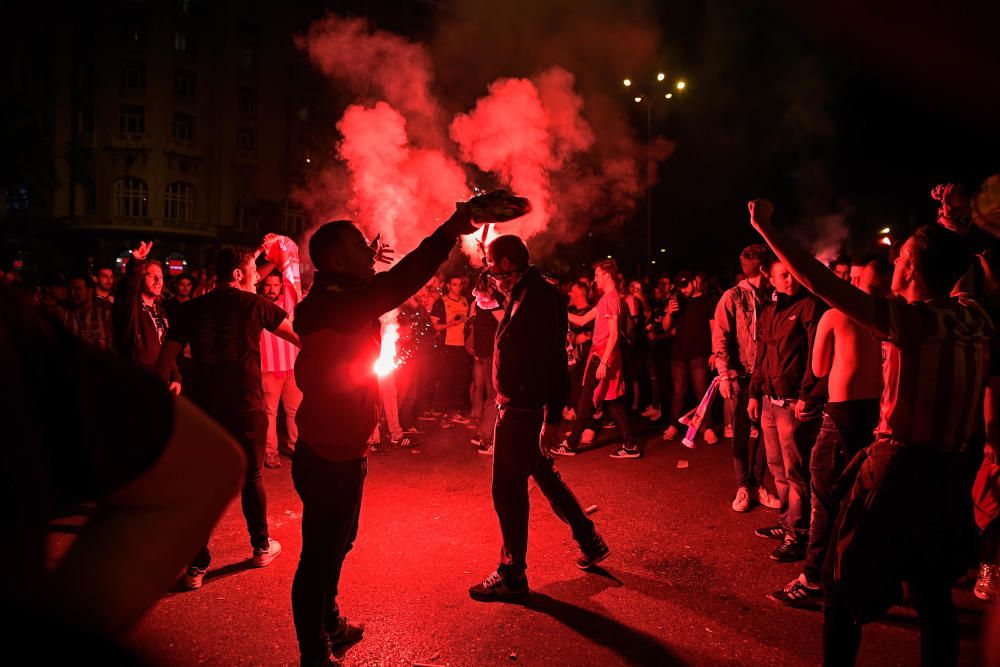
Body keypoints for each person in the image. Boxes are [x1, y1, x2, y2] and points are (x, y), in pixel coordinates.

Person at [749, 199, 989, 666]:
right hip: (950, 473)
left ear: (914, 271)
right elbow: (958, 268)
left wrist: (766, 227)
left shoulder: (913, 323)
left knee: (842, 586)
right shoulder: (974, 316)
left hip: (899, 471)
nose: (893, 262)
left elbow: (817, 281)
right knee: (932, 594)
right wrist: (951, 223)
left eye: (900, 258)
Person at [290, 200, 497, 665]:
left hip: (341, 449)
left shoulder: (336, 297)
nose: (371, 254)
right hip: (328, 454)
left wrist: (365, 267)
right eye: (361, 248)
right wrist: (451, 229)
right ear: (338, 260)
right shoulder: (339, 306)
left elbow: (383, 282)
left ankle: (329, 621)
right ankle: (314, 650)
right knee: (319, 556)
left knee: (339, 543)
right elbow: (405, 279)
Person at [2, 282, 243, 659]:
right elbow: (206, 459)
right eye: (150, 276)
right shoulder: (16, 335)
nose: (158, 282)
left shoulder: (20, 339)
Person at [469, 234, 609, 601]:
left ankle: (512, 571)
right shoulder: (523, 291)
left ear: (507, 263)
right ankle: (589, 539)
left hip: (523, 409)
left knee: (508, 490)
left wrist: (552, 418)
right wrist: (496, 296)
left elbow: (551, 359)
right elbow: (519, 331)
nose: (487, 268)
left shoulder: (540, 296)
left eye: (491, 263)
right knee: (544, 476)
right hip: (519, 405)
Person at [155, 245, 300, 591]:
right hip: (246, 406)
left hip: (204, 410)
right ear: (238, 274)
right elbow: (299, 337)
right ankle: (261, 547)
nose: (257, 277)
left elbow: (163, 363)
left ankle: (196, 566)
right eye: (253, 271)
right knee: (251, 477)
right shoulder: (256, 305)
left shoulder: (191, 310)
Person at [768, 258, 891, 607]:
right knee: (863, 499)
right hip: (878, 415)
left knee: (825, 500)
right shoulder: (894, 316)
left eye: (852, 277)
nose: (846, 281)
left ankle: (812, 579)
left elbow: (819, 367)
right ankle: (863, 574)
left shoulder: (836, 316)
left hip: (841, 414)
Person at [748, 254, 826, 563]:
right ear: (771, 277)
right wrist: (755, 393)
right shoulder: (769, 310)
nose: (789, 280)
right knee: (776, 466)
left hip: (793, 402)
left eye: (792, 273)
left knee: (796, 472)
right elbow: (761, 354)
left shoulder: (809, 306)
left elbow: (814, 357)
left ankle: (799, 533)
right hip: (769, 400)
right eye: (784, 275)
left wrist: (807, 395)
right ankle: (786, 520)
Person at [712, 245, 781, 512]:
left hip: (766, 376)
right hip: (740, 376)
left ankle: (757, 484)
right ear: (764, 269)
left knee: (765, 431)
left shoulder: (772, 297)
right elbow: (721, 336)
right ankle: (743, 487)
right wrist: (724, 375)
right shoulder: (733, 297)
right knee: (741, 430)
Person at [556, 258, 641, 459]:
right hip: (603, 356)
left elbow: (614, 334)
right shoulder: (607, 299)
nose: (594, 280)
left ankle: (571, 443)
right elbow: (581, 319)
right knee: (612, 401)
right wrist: (559, 310)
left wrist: (603, 362)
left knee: (587, 400)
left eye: (596, 275)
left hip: (602, 357)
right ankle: (630, 445)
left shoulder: (611, 300)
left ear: (606, 275)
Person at [258, 238, 304, 469]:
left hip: (292, 368)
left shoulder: (288, 301)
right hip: (268, 369)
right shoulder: (256, 304)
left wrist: (282, 256)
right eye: (268, 285)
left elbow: (291, 279)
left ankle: (297, 448)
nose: (273, 289)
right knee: (269, 414)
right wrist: (270, 258)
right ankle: (271, 452)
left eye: (276, 285)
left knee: (295, 412)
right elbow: (254, 277)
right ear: (262, 286)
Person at [112, 242, 179, 393]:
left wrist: (176, 377)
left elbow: (166, 347)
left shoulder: (160, 311)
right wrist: (137, 263)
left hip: (161, 383)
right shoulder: (130, 306)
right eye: (152, 276)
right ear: (141, 278)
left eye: (161, 277)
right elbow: (128, 287)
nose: (158, 281)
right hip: (136, 381)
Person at [663, 271, 718, 444]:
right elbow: (666, 327)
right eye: (681, 286)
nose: (684, 289)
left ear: (694, 282)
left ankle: (707, 427)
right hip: (679, 353)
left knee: (701, 392)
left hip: (699, 352)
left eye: (686, 285)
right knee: (679, 392)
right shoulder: (678, 301)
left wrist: (715, 352)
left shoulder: (707, 301)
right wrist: (669, 313)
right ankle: (673, 425)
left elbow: (714, 328)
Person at [430, 275, 471, 427]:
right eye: (454, 284)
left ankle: (455, 412)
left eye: (460, 284)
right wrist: (451, 323)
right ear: (448, 285)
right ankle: (442, 413)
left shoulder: (465, 301)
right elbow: (434, 326)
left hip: (462, 347)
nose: (458, 287)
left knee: (460, 380)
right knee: (446, 380)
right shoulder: (441, 302)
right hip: (446, 347)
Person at [468, 280, 503, 455]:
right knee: (493, 395)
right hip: (490, 353)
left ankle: (481, 434)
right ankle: (486, 439)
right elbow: (505, 320)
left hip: (484, 352)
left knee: (491, 394)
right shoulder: (489, 300)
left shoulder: (481, 299)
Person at [64, 272, 114, 351]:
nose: (72, 293)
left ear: (89, 290)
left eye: (77, 289)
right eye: (70, 289)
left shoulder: (105, 312)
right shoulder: (65, 315)